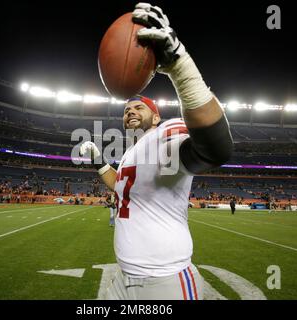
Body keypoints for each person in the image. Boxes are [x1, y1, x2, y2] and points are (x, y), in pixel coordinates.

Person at [79, 3, 233, 300]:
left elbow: (214, 150)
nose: (130, 112)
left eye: (138, 107)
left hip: (166, 281)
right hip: (124, 279)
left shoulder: (166, 133)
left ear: (157, 116)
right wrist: (99, 159)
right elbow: (120, 186)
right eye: (126, 110)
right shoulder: (129, 154)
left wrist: (180, 67)